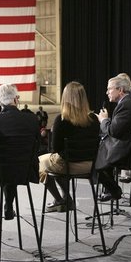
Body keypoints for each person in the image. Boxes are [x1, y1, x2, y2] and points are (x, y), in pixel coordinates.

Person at [0, 84, 40, 221]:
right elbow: (36, 146)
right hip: (25, 171)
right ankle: (9, 208)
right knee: (11, 165)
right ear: (16, 99)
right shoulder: (32, 120)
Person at [38, 82, 100, 212]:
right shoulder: (94, 119)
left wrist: (55, 132)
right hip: (90, 165)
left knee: (39, 163)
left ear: (65, 98)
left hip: (68, 165)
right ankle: (66, 199)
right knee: (55, 162)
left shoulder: (61, 120)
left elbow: (55, 149)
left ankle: (60, 200)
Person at [95, 76, 131, 201]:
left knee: (93, 162)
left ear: (120, 90)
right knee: (101, 154)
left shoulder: (126, 106)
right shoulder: (130, 103)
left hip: (128, 155)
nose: (107, 92)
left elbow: (113, 131)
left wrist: (103, 120)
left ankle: (114, 190)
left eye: (109, 89)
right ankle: (111, 190)